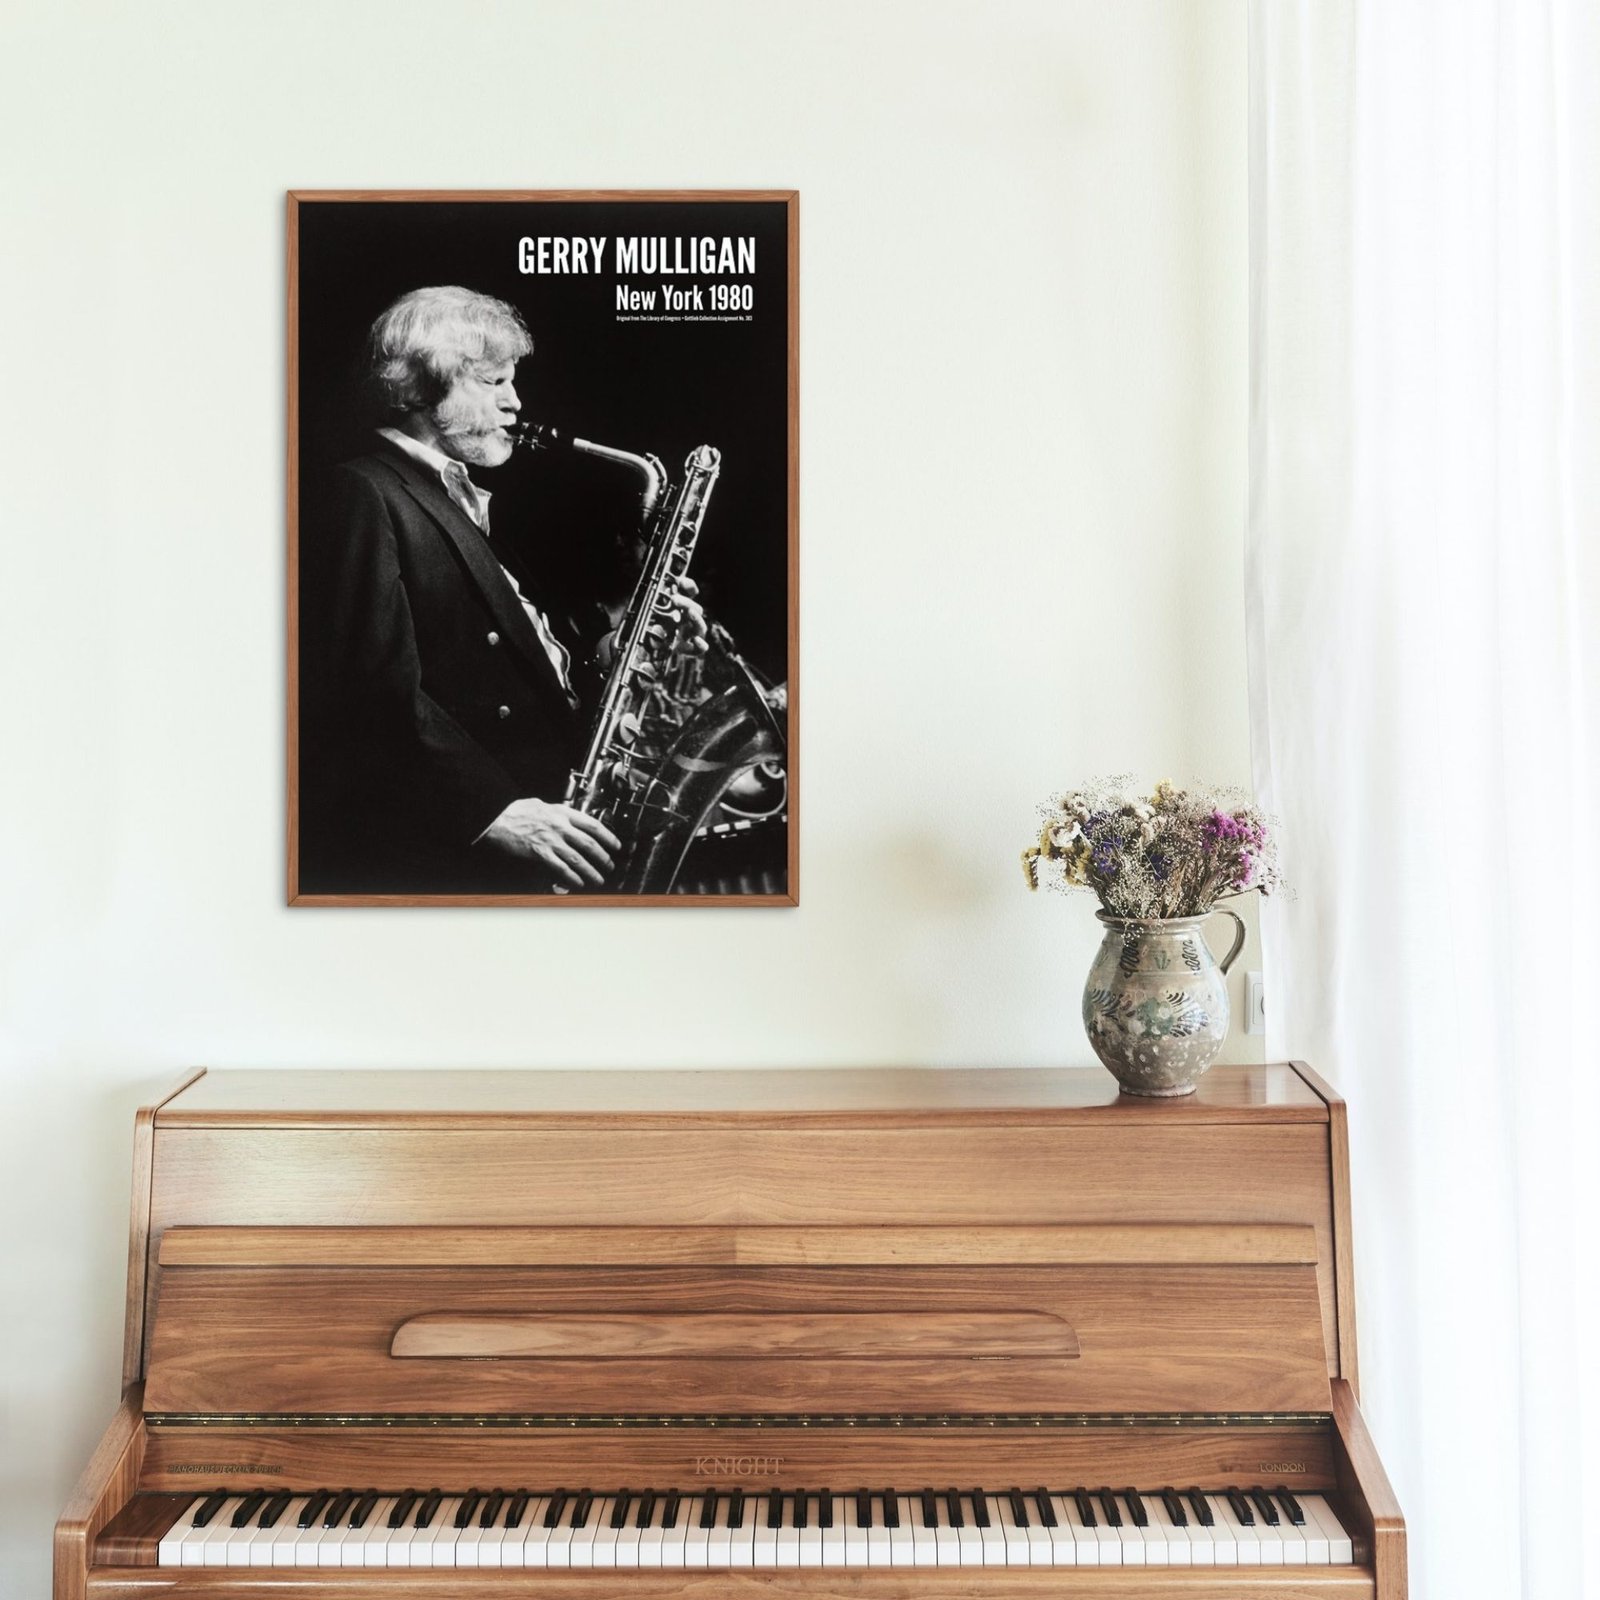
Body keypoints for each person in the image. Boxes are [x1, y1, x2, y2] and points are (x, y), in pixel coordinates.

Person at [299, 285, 692, 894]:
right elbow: (368, 689)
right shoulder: (362, 490)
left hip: (554, 829)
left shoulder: (456, 498)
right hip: (462, 863)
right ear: (422, 387)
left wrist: (619, 645)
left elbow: (513, 664)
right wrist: (494, 813)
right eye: (492, 382)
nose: (516, 402)